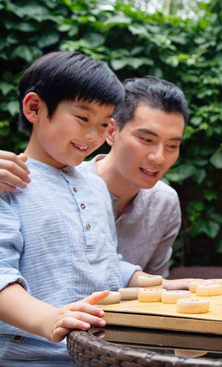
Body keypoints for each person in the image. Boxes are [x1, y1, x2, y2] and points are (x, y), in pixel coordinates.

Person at [0, 52, 187, 365]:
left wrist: (163, 285)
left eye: (102, 124)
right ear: (34, 108)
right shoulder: (9, 181)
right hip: (31, 356)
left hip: (98, 353)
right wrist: (50, 319)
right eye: (83, 118)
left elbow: (105, 262)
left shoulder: (95, 187)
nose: (92, 136)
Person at [0, 76, 188, 277]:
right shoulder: (37, 183)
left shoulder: (164, 202)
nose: (159, 158)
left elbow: (153, 283)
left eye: (172, 146)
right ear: (111, 131)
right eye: (147, 139)